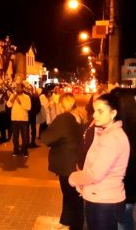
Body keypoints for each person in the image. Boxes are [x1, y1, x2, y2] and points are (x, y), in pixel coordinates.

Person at [69, 93, 130, 230]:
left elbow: (94, 174)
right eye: (95, 110)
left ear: (113, 113)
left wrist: (73, 178)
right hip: (100, 196)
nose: (95, 115)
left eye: (100, 111)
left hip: (104, 202)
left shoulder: (112, 138)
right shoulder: (106, 133)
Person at [41, 93, 85, 230]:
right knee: (73, 196)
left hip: (67, 165)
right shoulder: (79, 116)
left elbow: (46, 138)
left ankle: (76, 225)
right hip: (76, 163)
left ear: (61, 104)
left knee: (72, 197)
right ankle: (68, 219)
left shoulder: (63, 118)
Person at [111, 88, 136, 230]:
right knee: (127, 216)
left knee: (122, 220)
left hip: (122, 180)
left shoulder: (120, 128)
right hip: (131, 177)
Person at [6, 83, 31, 157]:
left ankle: (24, 151)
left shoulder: (27, 97)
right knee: (15, 137)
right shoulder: (12, 96)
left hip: (23, 119)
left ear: (23, 89)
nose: (18, 89)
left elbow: (28, 107)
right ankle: (16, 151)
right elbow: (8, 105)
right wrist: (13, 98)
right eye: (17, 87)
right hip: (14, 119)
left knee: (25, 137)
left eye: (19, 87)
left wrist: (20, 102)